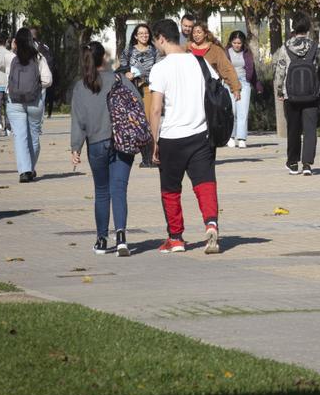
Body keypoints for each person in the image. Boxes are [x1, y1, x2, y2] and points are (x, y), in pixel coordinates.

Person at [147, 19, 222, 255]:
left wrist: (154, 140)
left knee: (171, 189)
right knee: (205, 184)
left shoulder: (160, 68)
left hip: (171, 137)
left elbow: (156, 109)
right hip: (201, 134)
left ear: (160, 38)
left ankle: (176, 238)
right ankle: (211, 223)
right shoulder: (199, 62)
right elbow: (215, 91)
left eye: (155, 42)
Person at [70, 41, 134, 256]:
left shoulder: (81, 86)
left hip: (96, 143)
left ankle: (101, 239)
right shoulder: (119, 79)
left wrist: (75, 147)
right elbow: (137, 104)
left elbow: (78, 121)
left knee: (101, 191)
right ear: (102, 58)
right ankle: (122, 236)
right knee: (119, 189)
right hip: (122, 141)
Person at [273, 11, 320, 175]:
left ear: (293, 28)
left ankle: (293, 163)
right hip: (311, 94)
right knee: (310, 129)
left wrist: (279, 91)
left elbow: (280, 71)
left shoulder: (286, 47)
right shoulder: (315, 46)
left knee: (293, 129)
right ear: (308, 27)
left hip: (291, 94)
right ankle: (307, 164)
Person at [2, 27, 53, 182]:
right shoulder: (38, 58)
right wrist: (36, 86)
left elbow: (0, 69)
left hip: (14, 102)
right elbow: (48, 80)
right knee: (34, 137)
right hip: (34, 101)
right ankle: (30, 169)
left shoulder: (9, 58)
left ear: (15, 42)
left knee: (20, 137)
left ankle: (25, 171)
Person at [186, 22, 242, 131]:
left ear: (205, 33)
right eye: (194, 33)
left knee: (208, 118)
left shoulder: (215, 50)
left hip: (209, 90)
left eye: (199, 32)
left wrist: (235, 87)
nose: (196, 35)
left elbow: (227, 69)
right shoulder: (186, 49)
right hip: (190, 90)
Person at [120, 23, 159, 166]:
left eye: (146, 33)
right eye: (141, 33)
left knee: (148, 122)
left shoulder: (155, 51)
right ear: (135, 36)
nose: (144, 35)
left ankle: (152, 155)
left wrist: (143, 77)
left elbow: (159, 71)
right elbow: (122, 68)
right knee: (136, 123)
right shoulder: (128, 51)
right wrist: (127, 74)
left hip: (149, 89)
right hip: (132, 90)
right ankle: (144, 157)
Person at [225, 30, 262, 149]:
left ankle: (241, 138)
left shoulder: (247, 53)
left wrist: (257, 85)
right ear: (231, 42)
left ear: (243, 43)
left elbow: (252, 70)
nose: (236, 45)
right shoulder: (226, 52)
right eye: (234, 43)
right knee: (232, 111)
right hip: (229, 83)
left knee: (243, 111)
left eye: (239, 43)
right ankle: (230, 136)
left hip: (244, 82)